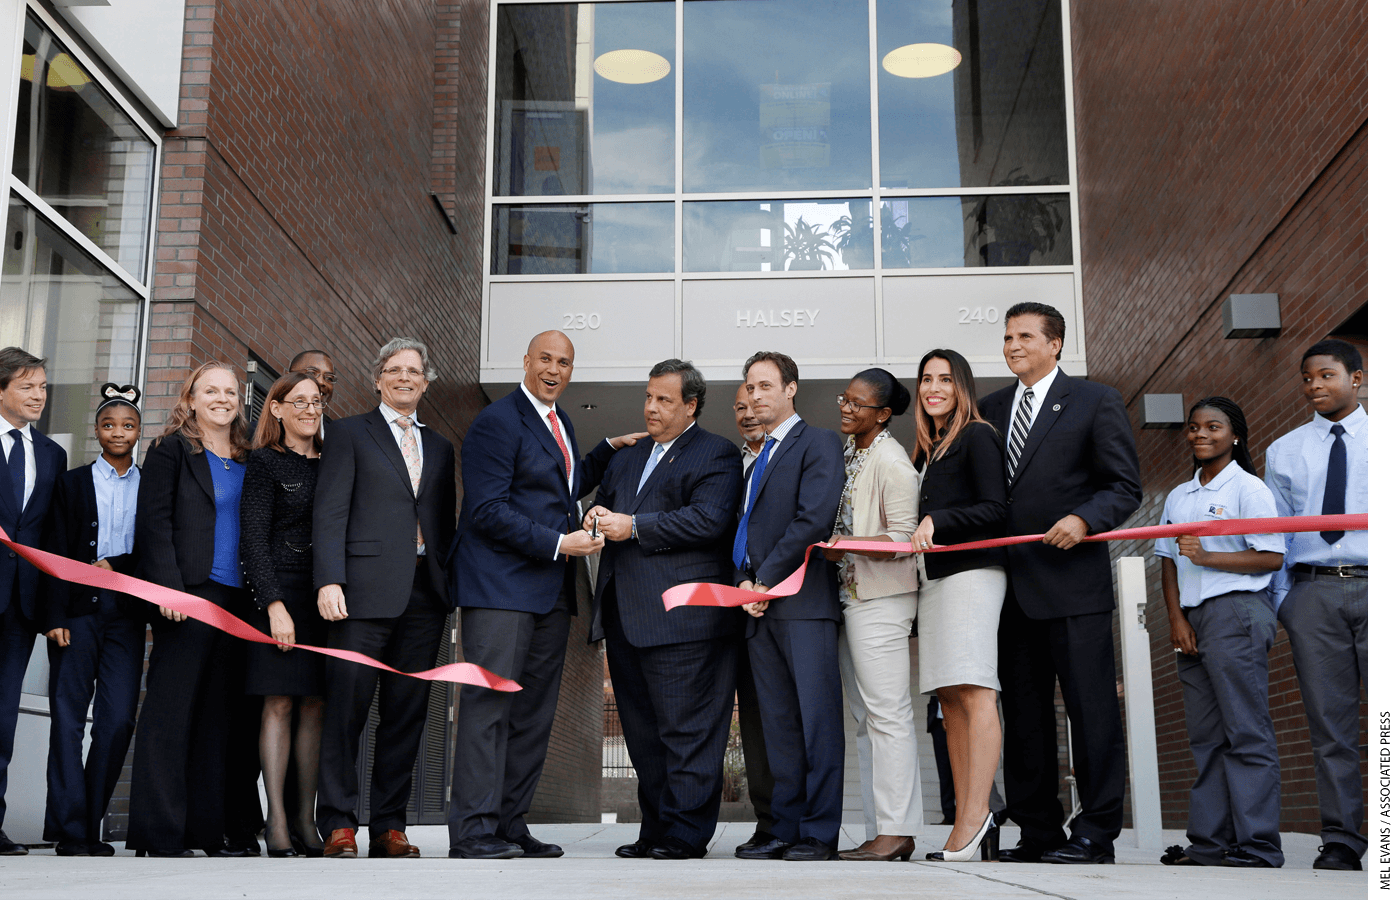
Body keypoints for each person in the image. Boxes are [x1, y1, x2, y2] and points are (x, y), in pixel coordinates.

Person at [447, 330, 642, 860]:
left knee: (533, 716)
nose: (555, 370)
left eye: (565, 363)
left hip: (551, 594)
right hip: (500, 590)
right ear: (526, 360)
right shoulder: (497, 422)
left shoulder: (560, 421)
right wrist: (560, 543)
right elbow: (486, 509)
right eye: (546, 360)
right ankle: (472, 832)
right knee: (489, 708)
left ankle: (509, 825)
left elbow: (558, 486)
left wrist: (604, 452)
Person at [979, 302, 1141, 865]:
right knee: (1024, 718)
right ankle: (1039, 831)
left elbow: (1124, 486)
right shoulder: (991, 409)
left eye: (1025, 335)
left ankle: (1096, 833)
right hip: (1012, 590)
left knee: (1090, 712)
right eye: (1007, 337)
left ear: (1055, 344)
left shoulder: (1096, 400)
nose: (1012, 345)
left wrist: (1084, 519)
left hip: (1074, 587)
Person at [587, 359, 743, 861]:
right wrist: (596, 515)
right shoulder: (627, 458)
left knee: (687, 732)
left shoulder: (716, 453)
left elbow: (709, 520)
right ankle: (654, 829)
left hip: (685, 620)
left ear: (691, 405)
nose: (651, 408)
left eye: (664, 400)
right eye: (649, 397)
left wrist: (632, 526)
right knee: (643, 736)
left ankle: (685, 834)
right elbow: (609, 507)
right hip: (625, 617)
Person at [313, 338, 455, 860]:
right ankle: (339, 824)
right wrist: (328, 580)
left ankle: (390, 826)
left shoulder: (441, 446)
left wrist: (449, 585)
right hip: (360, 595)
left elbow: (444, 523)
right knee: (346, 712)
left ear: (425, 381)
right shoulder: (349, 432)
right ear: (377, 379)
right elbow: (329, 510)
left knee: (406, 715)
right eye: (394, 370)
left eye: (413, 371)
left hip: (425, 597)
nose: (404, 378)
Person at [126, 362, 253, 857]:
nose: (222, 398)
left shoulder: (246, 456)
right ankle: (159, 834)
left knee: (217, 718)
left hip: (235, 602)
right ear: (191, 399)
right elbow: (153, 523)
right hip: (187, 595)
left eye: (229, 391)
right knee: (170, 713)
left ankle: (205, 831)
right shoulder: (171, 450)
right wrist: (168, 590)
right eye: (210, 391)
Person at [1155, 397, 1284, 868]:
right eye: (1193, 427)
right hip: (1192, 620)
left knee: (1245, 731)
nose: (1200, 434)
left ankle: (1259, 846)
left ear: (1235, 436)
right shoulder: (1177, 496)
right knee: (1206, 736)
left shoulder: (1249, 489)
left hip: (1236, 613)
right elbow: (1168, 563)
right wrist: (1175, 620)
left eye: (1213, 426)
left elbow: (1271, 557)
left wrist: (1207, 556)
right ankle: (1209, 843)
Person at [731, 351, 845, 862]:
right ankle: (783, 828)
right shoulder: (755, 457)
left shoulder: (817, 442)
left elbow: (812, 520)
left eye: (764, 386)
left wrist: (764, 581)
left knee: (816, 724)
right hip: (758, 609)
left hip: (801, 605)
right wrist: (742, 581)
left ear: (791, 388)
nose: (755, 396)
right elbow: (741, 534)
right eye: (749, 387)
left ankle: (818, 834)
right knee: (777, 726)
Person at [1265, 339, 1368, 872]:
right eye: (1307, 379)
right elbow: (1277, 534)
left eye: (1326, 376)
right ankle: (1343, 840)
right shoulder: (1285, 450)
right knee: (1330, 726)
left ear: (1357, 377)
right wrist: (1286, 601)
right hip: (1314, 593)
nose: (1314, 387)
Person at [909, 349, 1009, 863]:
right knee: (949, 704)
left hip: (972, 578)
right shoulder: (927, 451)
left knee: (975, 692)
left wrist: (939, 522)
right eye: (927, 379)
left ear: (962, 385)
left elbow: (996, 509)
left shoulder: (979, 435)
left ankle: (978, 815)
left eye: (945, 378)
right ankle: (964, 820)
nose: (934, 387)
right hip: (936, 582)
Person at [37, 385, 144, 857]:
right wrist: (53, 612)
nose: (117, 432)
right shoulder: (72, 482)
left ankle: (90, 820)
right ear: (96, 430)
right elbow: (54, 547)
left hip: (125, 617)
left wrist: (117, 566)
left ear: (139, 432)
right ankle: (71, 830)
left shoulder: (152, 485)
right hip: (76, 615)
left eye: (127, 425)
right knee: (66, 718)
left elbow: (157, 549)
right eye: (108, 424)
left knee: (118, 719)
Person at [822, 369, 921, 862]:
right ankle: (879, 828)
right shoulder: (851, 453)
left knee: (888, 715)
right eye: (845, 399)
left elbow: (905, 539)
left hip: (881, 599)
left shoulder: (893, 461)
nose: (846, 408)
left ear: (882, 414)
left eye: (858, 404)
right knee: (866, 718)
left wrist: (843, 546)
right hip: (851, 598)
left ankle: (898, 830)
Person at [241, 373, 328, 857]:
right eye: (299, 401)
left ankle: (304, 819)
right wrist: (274, 606)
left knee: (316, 703)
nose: (310, 409)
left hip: (326, 597)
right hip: (279, 596)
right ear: (276, 409)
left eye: (317, 401)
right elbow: (253, 538)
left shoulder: (336, 461)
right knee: (279, 703)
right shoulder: (264, 463)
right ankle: (275, 818)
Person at [0, 347, 66, 856]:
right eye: (28, 386)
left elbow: (49, 539)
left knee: (3, 718)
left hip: (19, 607)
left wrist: (51, 612)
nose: (39, 396)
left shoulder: (51, 454)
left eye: (42, 387)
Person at [730, 386, 775, 853]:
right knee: (757, 723)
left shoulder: (798, 453)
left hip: (787, 603)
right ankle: (769, 820)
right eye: (739, 407)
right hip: (737, 608)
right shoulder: (729, 464)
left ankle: (795, 817)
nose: (748, 413)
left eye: (754, 405)